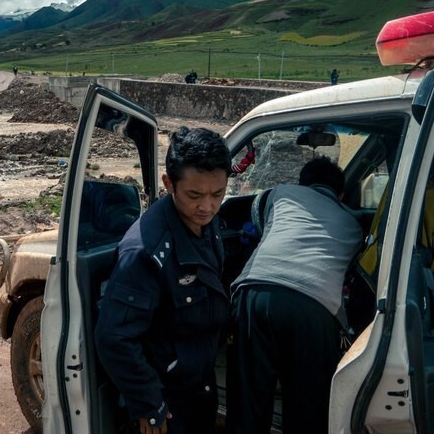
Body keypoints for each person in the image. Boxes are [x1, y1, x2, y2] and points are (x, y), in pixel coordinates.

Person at [95, 126, 232, 434]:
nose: (207, 207)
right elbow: (114, 337)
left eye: (217, 194)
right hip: (167, 402)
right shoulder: (146, 251)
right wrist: (148, 403)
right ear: (169, 183)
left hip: (199, 387)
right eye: (194, 195)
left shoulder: (205, 225)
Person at [226, 155, 363, 434]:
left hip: (257, 292)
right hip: (315, 308)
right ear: (341, 194)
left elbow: (261, 227)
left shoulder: (280, 193)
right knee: (307, 405)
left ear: (303, 183)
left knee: (248, 397)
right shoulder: (353, 224)